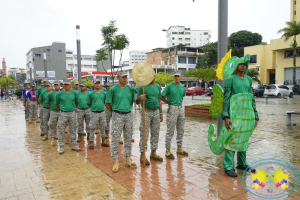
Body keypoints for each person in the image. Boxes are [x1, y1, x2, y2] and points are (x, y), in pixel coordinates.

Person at [222, 57, 259, 177]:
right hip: (234, 113)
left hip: (247, 114)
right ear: (237, 66)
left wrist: (255, 116)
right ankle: (228, 166)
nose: (243, 66)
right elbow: (226, 99)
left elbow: (251, 98)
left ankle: (242, 163)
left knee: (244, 137)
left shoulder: (248, 79)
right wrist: (226, 116)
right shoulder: (230, 79)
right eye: (240, 64)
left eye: (245, 64)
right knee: (232, 138)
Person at [105, 71, 136, 172]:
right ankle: (116, 160)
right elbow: (107, 103)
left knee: (128, 137)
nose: (124, 79)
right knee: (115, 138)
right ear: (118, 77)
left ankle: (127, 158)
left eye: (125, 77)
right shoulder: (113, 89)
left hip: (128, 115)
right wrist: (115, 111)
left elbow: (131, 101)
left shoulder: (130, 89)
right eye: (122, 77)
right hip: (117, 115)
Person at [136, 75, 163, 165]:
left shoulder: (157, 87)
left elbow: (159, 100)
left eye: (153, 76)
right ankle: (142, 154)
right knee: (144, 133)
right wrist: (140, 98)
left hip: (156, 112)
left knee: (155, 132)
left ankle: (153, 153)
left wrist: (161, 113)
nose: (152, 77)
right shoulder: (142, 87)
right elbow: (137, 102)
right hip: (146, 111)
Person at [161, 71, 188, 159]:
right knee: (170, 130)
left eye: (178, 76)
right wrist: (168, 102)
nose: (176, 78)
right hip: (172, 109)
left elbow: (182, 96)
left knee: (181, 129)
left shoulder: (181, 86)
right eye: (175, 76)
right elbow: (161, 96)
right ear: (173, 77)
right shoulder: (169, 86)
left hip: (180, 109)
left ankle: (179, 148)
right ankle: (167, 150)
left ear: (181, 77)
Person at [55, 79, 81, 154]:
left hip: (72, 113)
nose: (66, 85)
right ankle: (61, 146)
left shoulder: (74, 93)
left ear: (70, 85)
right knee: (61, 130)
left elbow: (77, 102)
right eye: (65, 84)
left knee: (73, 129)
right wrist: (63, 108)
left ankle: (73, 144)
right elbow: (56, 104)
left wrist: (71, 108)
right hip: (63, 113)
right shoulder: (59, 94)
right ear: (63, 85)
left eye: (67, 84)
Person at [87, 79, 109, 149]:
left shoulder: (103, 93)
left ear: (100, 85)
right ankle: (91, 142)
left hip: (102, 112)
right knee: (92, 127)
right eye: (96, 83)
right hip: (94, 113)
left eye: (98, 83)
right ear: (93, 85)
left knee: (103, 126)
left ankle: (103, 141)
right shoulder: (90, 93)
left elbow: (105, 102)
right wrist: (94, 108)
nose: (97, 84)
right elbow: (88, 103)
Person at [45, 80, 61, 146]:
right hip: (53, 111)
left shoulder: (62, 93)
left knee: (61, 126)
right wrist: (52, 106)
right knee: (52, 125)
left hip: (61, 112)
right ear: (53, 86)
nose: (56, 86)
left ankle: (60, 139)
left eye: (57, 85)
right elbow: (47, 102)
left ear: (60, 86)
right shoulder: (50, 94)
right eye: (55, 85)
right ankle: (52, 139)